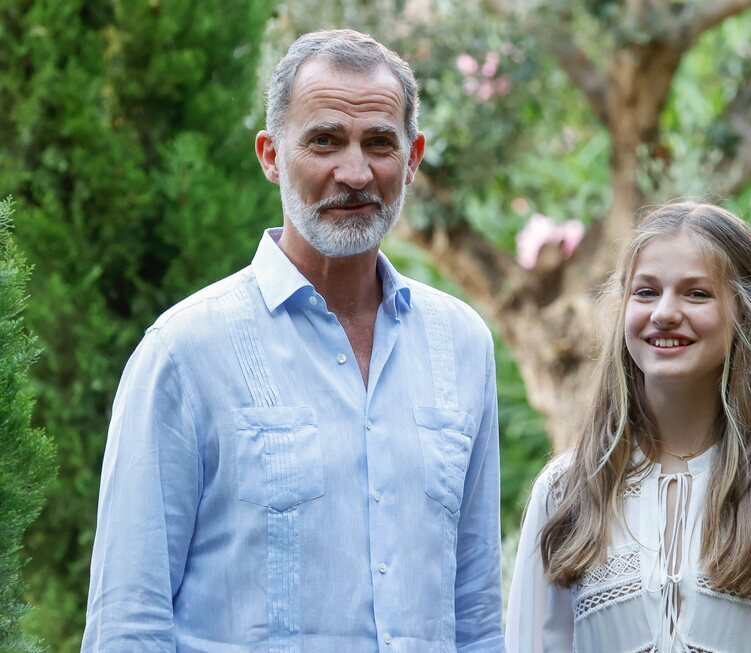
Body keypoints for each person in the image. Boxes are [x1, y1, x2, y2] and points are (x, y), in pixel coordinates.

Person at [83, 29, 505, 652]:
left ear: (412, 158)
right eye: (325, 141)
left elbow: (475, 616)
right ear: (271, 155)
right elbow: (128, 623)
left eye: (380, 143)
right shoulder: (185, 351)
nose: (355, 172)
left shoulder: (462, 345)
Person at [505, 203, 751, 653]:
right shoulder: (567, 491)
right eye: (645, 292)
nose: (664, 312)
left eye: (696, 293)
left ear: (745, 313)